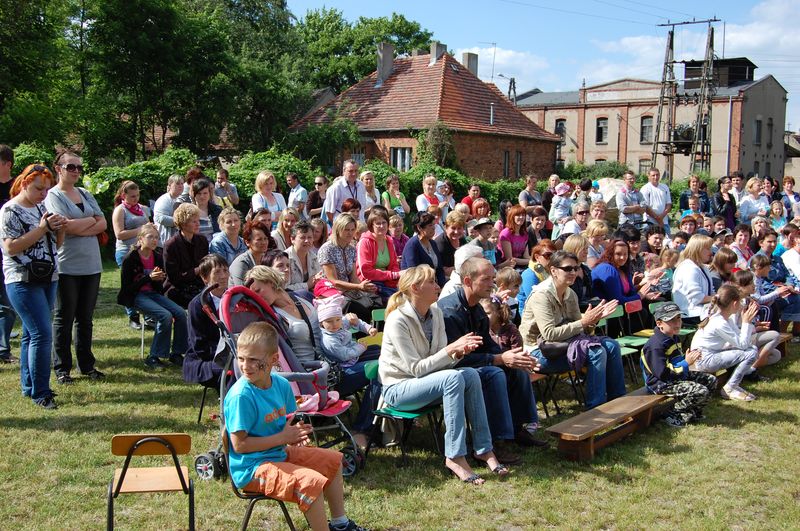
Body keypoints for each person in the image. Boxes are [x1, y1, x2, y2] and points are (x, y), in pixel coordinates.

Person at [224, 321, 370, 531]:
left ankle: (340, 524)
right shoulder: (241, 396)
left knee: (334, 461)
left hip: (278, 453)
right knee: (310, 482)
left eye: (254, 360)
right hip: (251, 469)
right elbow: (239, 446)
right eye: (241, 359)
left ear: (274, 359)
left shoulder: (282, 385)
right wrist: (283, 438)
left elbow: (287, 421)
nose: (245, 366)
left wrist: (297, 435)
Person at [379, 265, 507, 484]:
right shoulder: (397, 320)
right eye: (432, 282)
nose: (438, 286)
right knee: (454, 377)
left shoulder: (436, 313)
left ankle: (483, 449)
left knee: (469, 374)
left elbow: (441, 361)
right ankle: (455, 456)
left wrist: (458, 353)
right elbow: (416, 369)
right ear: (416, 288)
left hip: (428, 383)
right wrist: (450, 350)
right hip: (398, 390)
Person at [246, 266, 376, 450]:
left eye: (258, 290)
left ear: (269, 280)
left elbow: (328, 321)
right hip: (317, 375)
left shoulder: (299, 297)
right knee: (379, 369)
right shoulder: (272, 316)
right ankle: (362, 430)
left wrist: (346, 319)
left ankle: (390, 420)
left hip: (334, 358)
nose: (258, 297)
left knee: (383, 352)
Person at [438, 257, 546, 460]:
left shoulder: (476, 308)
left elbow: (488, 345)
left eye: (492, 279)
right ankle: (496, 440)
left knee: (517, 367)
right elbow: (453, 359)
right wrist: (498, 359)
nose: (493, 284)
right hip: (452, 370)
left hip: (473, 363)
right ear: (468, 281)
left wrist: (513, 356)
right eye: (487, 279)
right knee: (494, 373)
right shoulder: (449, 312)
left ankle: (517, 429)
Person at [520, 250, 627, 409]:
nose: (573, 272)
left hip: (564, 346)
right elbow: (549, 334)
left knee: (612, 346)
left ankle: (618, 401)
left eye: (576, 268)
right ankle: (596, 408)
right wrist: (584, 322)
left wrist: (593, 321)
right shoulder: (541, 295)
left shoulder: (570, 294)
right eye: (568, 269)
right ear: (553, 271)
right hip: (538, 353)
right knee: (596, 352)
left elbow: (581, 330)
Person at [1, 164, 66, 409]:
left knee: (31, 334)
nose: (43, 194)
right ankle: (41, 392)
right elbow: (10, 248)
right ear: (25, 183)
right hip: (21, 279)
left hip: (48, 277)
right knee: (42, 334)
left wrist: (59, 229)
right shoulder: (10, 210)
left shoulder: (42, 207)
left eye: (47, 189)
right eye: (39, 188)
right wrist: (41, 228)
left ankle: (29, 387)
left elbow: (56, 245)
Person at [46, 150, 107, 384]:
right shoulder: (53, 195)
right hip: (67, 264)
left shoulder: (85, 193)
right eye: (71, 166)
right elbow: (63, 226)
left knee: (85, 317)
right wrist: (90, 223)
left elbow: (102, 223)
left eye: (79, 167)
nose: (76, 171)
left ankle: (87, 365)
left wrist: (81, 225)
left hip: (91, 264)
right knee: (64, 316)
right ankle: (62, 368)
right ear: (58, 168)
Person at [118, 224, 187, 369]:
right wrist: (148, 278)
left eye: (157, 237)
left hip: (153, 294)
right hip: (135, 296)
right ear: (140, 239)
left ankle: (177, 353)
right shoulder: (130, 258)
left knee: (181, 313)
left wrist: (159, 278)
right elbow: (127, 288)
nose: (154, 240)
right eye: (150, 237)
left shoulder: (157, 256)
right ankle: (154, 356)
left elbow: (158, 284)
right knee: (165, 315)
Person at [641, 302, 717, 427]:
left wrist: (689, 357)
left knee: (711, 380)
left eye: (679, 318)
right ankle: (673, 413)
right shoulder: (655, 346)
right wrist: (686, 363)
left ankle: (693, 411)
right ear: (659, 323)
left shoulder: (673, 337)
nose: (677, 323)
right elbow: (663, 374)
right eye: (671, 320)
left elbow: (675, 361)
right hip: (660, 383)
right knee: (700, 390)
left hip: (676, 376)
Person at [690, 285, 760, 401]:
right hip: (705, 359)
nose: (742, 305)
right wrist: (746, 322)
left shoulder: (725, 318)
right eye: (740, 302)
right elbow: (742, 344)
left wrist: (746, 323)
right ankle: (730, 388)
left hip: (710, 355)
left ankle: (734, 385)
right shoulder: (719, 322)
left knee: (751, 349)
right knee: (751, 353)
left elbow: (741, 341)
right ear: (734, 304)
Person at [318, 214, 379, 321]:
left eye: (352, 229)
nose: (350, 233)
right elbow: (334, 282)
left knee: (378, 304)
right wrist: (359, 287)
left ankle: (377, 336)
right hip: (332, 292)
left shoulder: (351, 249)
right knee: (362, 311)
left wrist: (364, 287)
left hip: (349, 290)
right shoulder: (327, 249)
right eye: (346, 230)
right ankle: (363, 337)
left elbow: (353, 277)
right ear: (338, 229)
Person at [185, 254, 229, 390]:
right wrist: (228, 354)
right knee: (235, 372)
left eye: (225, 271)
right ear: (205, 278)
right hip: (205, 359)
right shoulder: (197, 305)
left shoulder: (235, 298)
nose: (223, 276)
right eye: (217, 272)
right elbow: (199, 345)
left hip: (237, 354)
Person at [112, 180, 151, 329]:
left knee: (144, 282)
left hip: (142, 251)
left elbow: (148, 226)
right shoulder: (120, 210)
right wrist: (142, 229)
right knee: (130, 284)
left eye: (137, 195)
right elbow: (119, 234)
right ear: (124, 195)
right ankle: (133, 316)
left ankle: (148, 315)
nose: (136, 199)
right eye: (132, 196)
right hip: (126, 252)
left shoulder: (141, 209)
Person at [163, 203, 209, 307]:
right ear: (183, 224)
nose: (198, 224)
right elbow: (174, 277)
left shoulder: (202, 240)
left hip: (199, 284)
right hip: (178, 288)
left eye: (198, 221)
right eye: (194, 221)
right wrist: (196, 271)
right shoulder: (171, 245)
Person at [356, 210, 401, 300]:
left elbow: (394, 265)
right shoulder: (365, 242)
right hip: (371, 283)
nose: (382, 226)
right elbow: (366, 272)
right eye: (378, 223)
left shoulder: (389, 241)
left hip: (388, 282)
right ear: (371, 226)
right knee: (396, 301)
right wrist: (393, 275)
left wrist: (395, 276)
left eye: (384, 222)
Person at [672, 234, 715, 325]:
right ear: (698, 249)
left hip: (704, 311)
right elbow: (697, 298)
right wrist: (719, 298)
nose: (710, 252)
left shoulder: (703, 267)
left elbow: (711, 292)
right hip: (691, 315)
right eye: (708, 249)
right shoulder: (689, 268)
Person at [0, 145, 17, 364]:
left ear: (7, 164)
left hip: (10, 253)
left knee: (7, 302)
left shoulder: (18, 188)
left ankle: (3, 350)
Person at [401, 211, 446, 286]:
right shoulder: (412, 245)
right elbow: (414, 273)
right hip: (418, 287)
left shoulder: (433, 243)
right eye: (430, 225)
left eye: (433, 224)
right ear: (419, 228)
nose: (433, 228)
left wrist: (442, 287)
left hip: (434, 285)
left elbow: (439, 269)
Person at [285, 220, 322, 296]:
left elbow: (319, 278)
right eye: (302, 237)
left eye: (310, 237)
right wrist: (307, 285)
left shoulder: (314, 257)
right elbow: (285, 288)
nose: (307, 240)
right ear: (292, 239)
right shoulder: (285, 259)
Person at [518, 239, 557, 311]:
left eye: (554, 255)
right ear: (537, 257)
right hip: (529, 313)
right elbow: (535, 301)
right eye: (548, 255)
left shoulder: (551, 271)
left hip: (548, 309)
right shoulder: (530, 275)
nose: (552, 259)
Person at [230, 220, 272, 286]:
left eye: (265, 238)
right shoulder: (241, 263)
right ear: (247, 242)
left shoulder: (268, 259)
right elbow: (241, 290)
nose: (264, 242)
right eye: (259, 239)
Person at [562, 234, 595, 311]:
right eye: (583, 249)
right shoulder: (564, 271)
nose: (586, 252)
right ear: (573, 249)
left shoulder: (586, 270)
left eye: (587, 249)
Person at [153, 174, 185, 246]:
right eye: (177, 183)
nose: (180, 186)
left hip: (177, 242)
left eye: (182, 183)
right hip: (163, 242)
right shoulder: (164, 199)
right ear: (170, 185)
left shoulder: (181, 199)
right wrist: (182, 222)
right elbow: (161, 218)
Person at [434, 211, 467, 277]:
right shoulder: (440, 244)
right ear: (446, 227)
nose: (456, 232)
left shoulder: (462, 240)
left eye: (459, 228)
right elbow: (443, 271)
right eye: (453, 228)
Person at [189, 178, 222, 242]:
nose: (202, 196)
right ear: (194, 195)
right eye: (199, 193)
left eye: (205, 193)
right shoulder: (188, 212)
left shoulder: (218, 210)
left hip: (215, 248)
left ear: (209, 194)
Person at [499, 205, 531, 269]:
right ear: (512, 217)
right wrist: (531, 261)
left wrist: (535, 261)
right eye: (518, 215)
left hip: (522, 263)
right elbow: (510, 259)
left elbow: (526, 255)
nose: (521, 217)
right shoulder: (506, 234)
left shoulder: (524, 233)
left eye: (523, 215)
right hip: (509, 267)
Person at [640, 167, 672, 232]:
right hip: (649, 222)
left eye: (657, 175)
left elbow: (669, 204)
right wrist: (658, 219)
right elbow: (646, 207)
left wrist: (662, 217)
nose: (655, 177)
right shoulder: (645, 188)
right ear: (648, 176)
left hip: (664, 222)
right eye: (653, 175)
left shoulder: (665, 187)